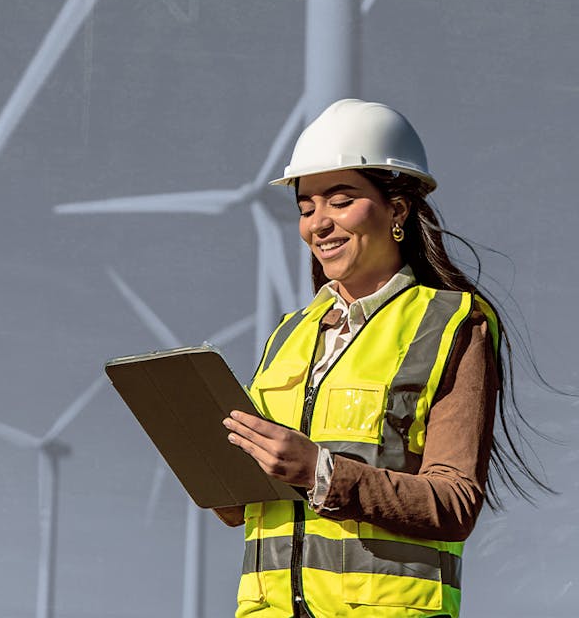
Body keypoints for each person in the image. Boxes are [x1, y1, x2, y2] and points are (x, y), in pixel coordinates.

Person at [217, 99, 538, 618]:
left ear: (397, 210)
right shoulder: (289, 333)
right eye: (305, 208)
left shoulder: (454, 323)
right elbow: (246, 505)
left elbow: (453, 503)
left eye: (340, 202)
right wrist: (217, 475)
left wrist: (321, 472)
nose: (318, 224)